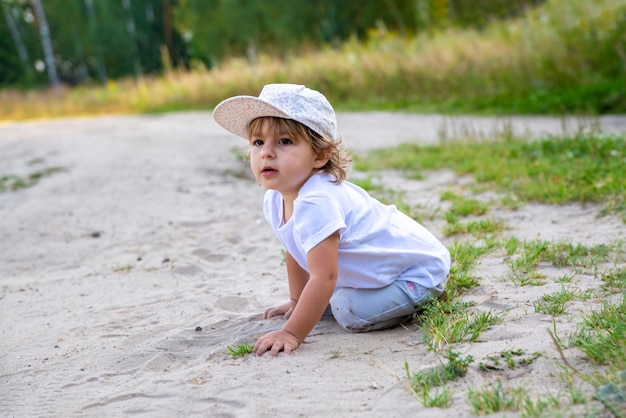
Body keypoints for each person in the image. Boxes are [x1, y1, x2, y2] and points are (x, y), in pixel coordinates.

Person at [213, 84, 450, 357]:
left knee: (346, 308)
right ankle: (340, 298)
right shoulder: (275, 198)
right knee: (323, 300)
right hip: (383, 270)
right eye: (258, 142)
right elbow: (295, 246)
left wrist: (291, 332)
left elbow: (325, 276)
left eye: (285, 141)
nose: (266, 152)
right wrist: (296, 299)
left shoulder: (317, 201)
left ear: (320, 155)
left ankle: (424, 298)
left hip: (417, 271)